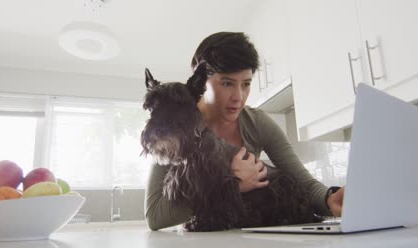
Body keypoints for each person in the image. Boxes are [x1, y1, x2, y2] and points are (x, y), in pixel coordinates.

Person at [144, 32, 344, 231]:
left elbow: (303, 183)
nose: (238, 97)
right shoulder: (173, 129)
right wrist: (232, 186)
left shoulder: (257, 122)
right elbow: (155, 216)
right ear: (201, 81)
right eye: (227, 83)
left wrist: (330, 199)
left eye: (246, 84)